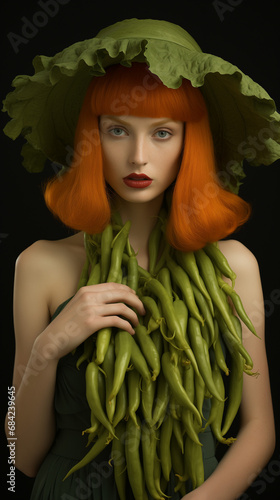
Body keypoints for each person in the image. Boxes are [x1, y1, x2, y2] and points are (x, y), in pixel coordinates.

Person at [3, 18, 279, 500]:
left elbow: (260, 430)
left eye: (163, 133)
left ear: (190, 142)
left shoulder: (236, 266)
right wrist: (47, 348)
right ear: (92, 139)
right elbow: (16, 458)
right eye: (116, 130)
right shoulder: (40, 265)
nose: (137, 156)